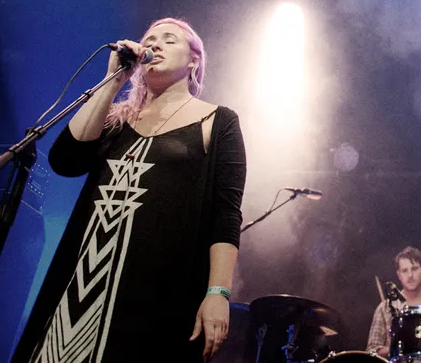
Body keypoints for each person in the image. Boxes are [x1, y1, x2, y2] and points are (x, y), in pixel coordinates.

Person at [13, 18, 247, 363]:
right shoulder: (115, 118)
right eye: (149, 39)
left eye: (170, 40)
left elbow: (225, 214)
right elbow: (65, 161)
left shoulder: (217, 121)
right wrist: (113, 80)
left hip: (155, 289)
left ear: (193, 60)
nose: (155, 44)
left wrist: (218, 292)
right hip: (82, 277)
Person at [366, 246, 421, 358]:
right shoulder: (385, 308)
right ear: (399, 275)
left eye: (414, 269)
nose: (410, 275)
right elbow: (370, 353)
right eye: (404, 271)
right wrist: (393, 347)